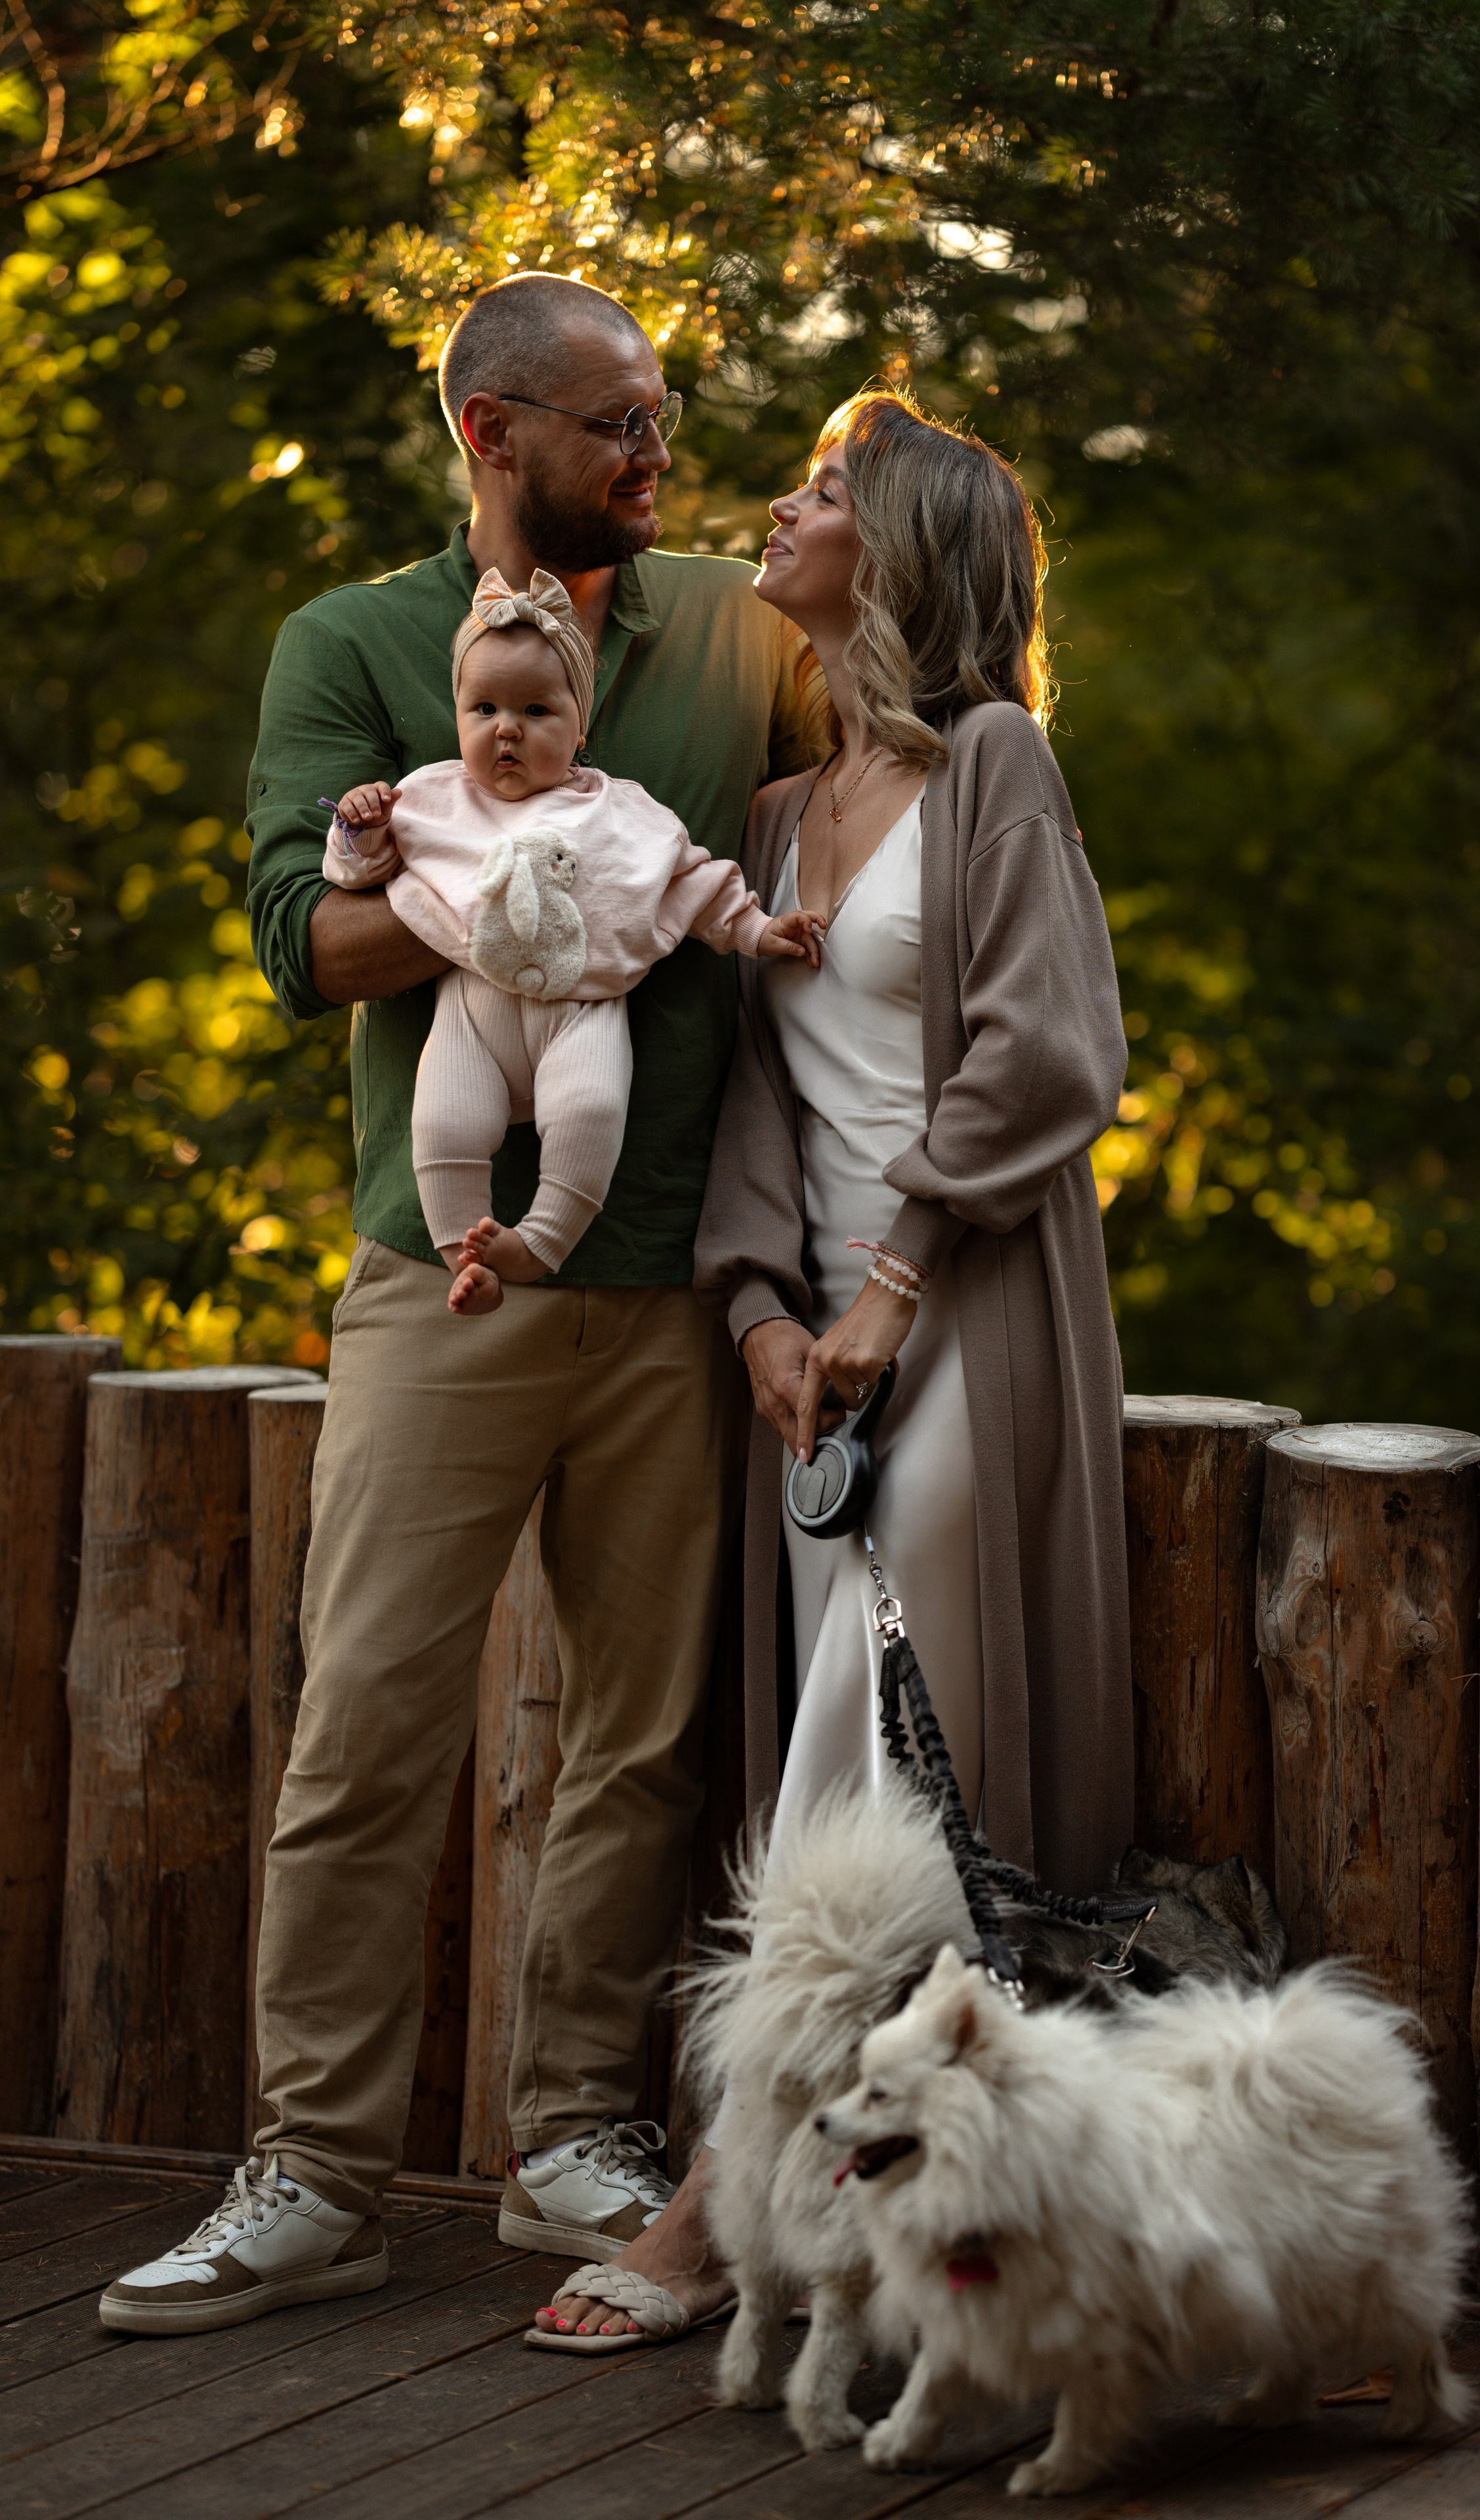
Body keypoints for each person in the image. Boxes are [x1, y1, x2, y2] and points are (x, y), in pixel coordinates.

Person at [98, 272, 814, 2338]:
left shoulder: (739, 633)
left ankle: (571, 2136)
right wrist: (512, 881)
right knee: (367, 1731)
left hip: (679, 1282)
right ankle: (313, 2173)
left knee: (641, 1744)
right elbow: (297, 945)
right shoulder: (349, 644)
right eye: (620, 424)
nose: (659, 456)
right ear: (495, 433)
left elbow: (893, 777)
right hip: (444, 1278)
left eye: (664, 417)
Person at [530, 388, 1133, 2351]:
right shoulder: (780, 817)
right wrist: (760, 1313)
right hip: (817, 1354)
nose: (776, 511)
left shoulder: (997, 766)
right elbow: (760, 1103)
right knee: (844, 1731)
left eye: (819, 488)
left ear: (902, 545)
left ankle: (722, 2195)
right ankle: (879, 2219)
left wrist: (890, 1282)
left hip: (969, 1311)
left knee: (886, 1749)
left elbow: (1047, 1048)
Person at [324, 568, 820, 1311]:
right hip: (472, 1014)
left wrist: (758, 928)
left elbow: (692, 882)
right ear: (457, 715)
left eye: (536, 710)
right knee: (443, 1121)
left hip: (582, 1011)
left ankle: (539, 1245)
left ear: (579, 727)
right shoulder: (430, 799)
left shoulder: (620, 812)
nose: (507, 729)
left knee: (590, 1112)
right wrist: (358, 827)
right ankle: (465, 1257)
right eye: (484, 708)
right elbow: (355, 873)